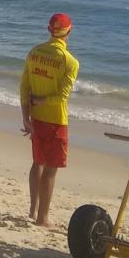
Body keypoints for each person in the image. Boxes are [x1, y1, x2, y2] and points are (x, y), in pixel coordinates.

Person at [20, 12, 80, 227]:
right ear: (69, 32)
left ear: (49, 30)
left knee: (37, 163)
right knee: (51, 169)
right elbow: (61, 97)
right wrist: (43, 100)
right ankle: (42, 218)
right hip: (56, 120)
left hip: (36, 118)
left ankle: (32, 210)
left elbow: (24, 87)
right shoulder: (70, 62)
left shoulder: (34, 52)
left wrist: (26, 116)